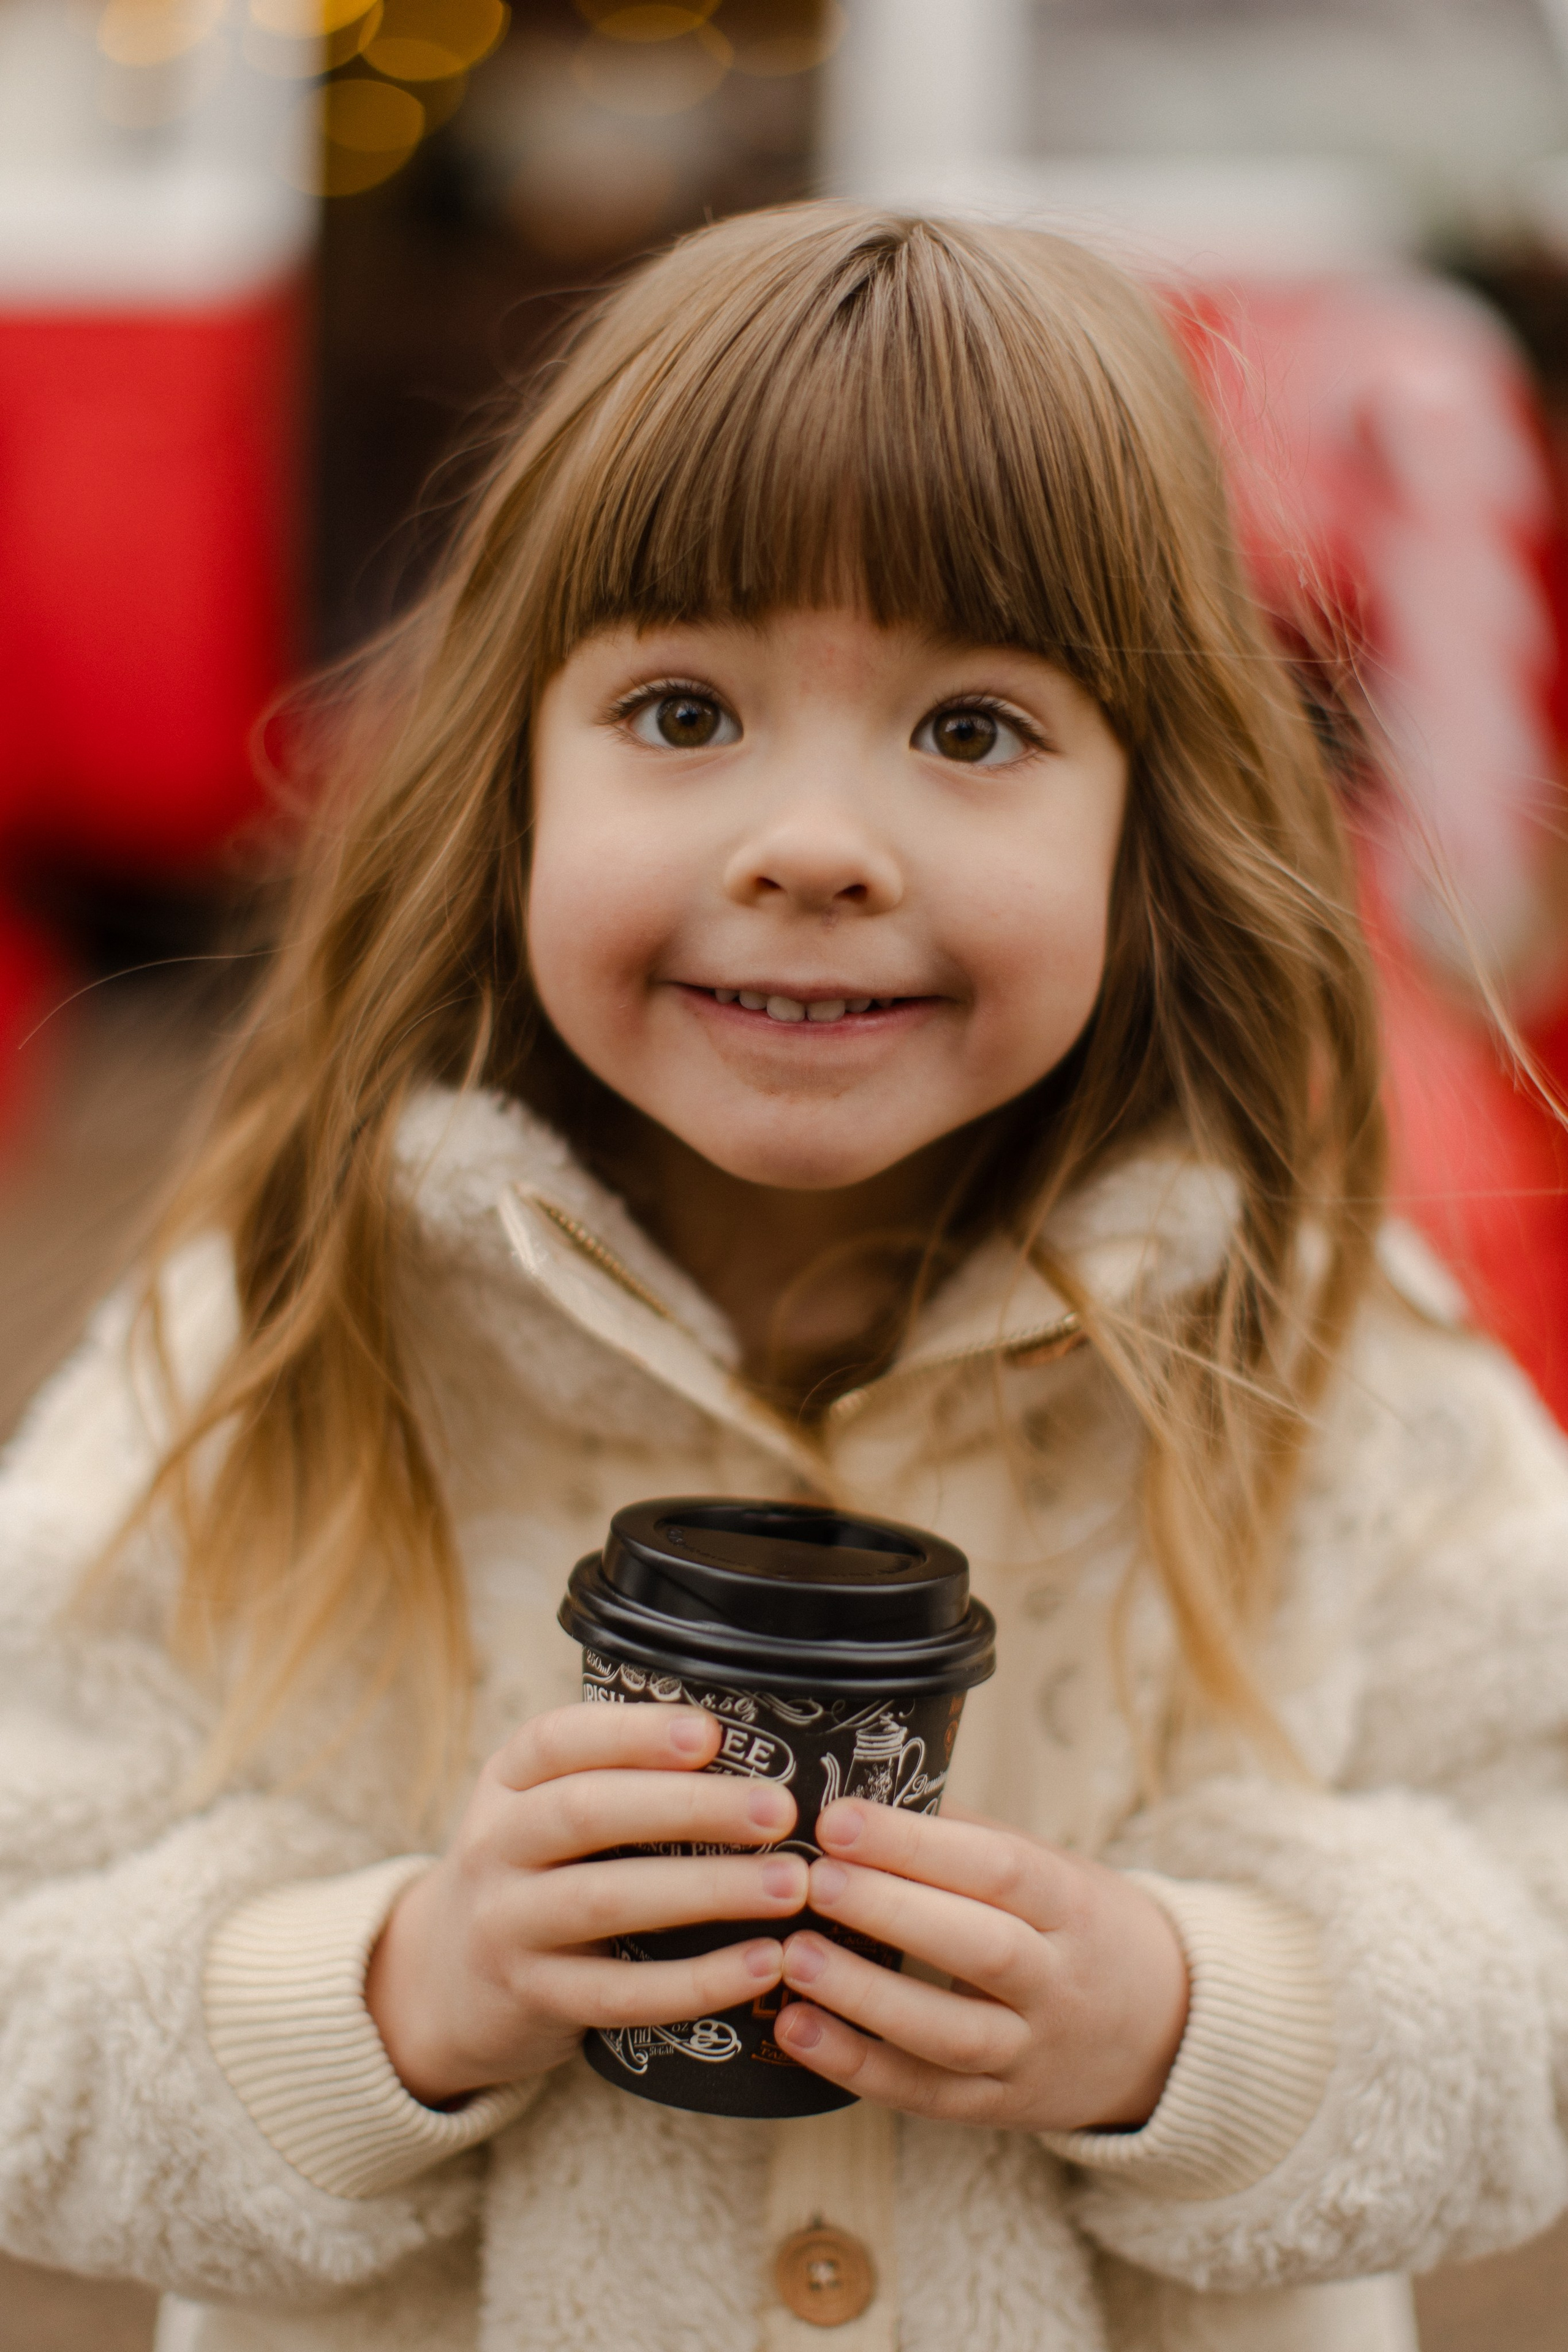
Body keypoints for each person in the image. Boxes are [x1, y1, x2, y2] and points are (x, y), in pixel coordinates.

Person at [1, 205, 1565, 2352]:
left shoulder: (1315, 1351)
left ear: (1154, 829)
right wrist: (399, 1988)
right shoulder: (278, 1334)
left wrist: (1196, 2022)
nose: (811, 842)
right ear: (507, 787)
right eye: (679, 707)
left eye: (974, 731)